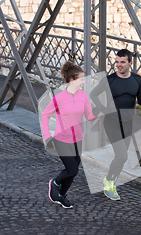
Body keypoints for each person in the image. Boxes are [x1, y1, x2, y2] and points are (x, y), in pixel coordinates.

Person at [90, 49, 141, 201]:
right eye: (117, 62)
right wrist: (102, 109)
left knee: (120, 157)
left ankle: (112, 180)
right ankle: (108, 182)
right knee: (122, 155)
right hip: (111, 122)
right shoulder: (110, 80)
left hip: (128, 122)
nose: (118, 65)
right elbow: (93, 94)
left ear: (130, 63)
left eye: (122, 62)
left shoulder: (137, 79)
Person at [41, 61, 98, 208]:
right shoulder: (59, 98)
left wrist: (97, 112)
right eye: (81, 79)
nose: (83, 82)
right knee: (72, 169)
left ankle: (61, 195)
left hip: (78, 140)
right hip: (61, 139)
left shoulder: (83, 96)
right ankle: (54, 183)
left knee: (73, 172)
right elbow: (45, 115)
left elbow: (89, 115)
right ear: (72, 80)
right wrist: (47, 136)